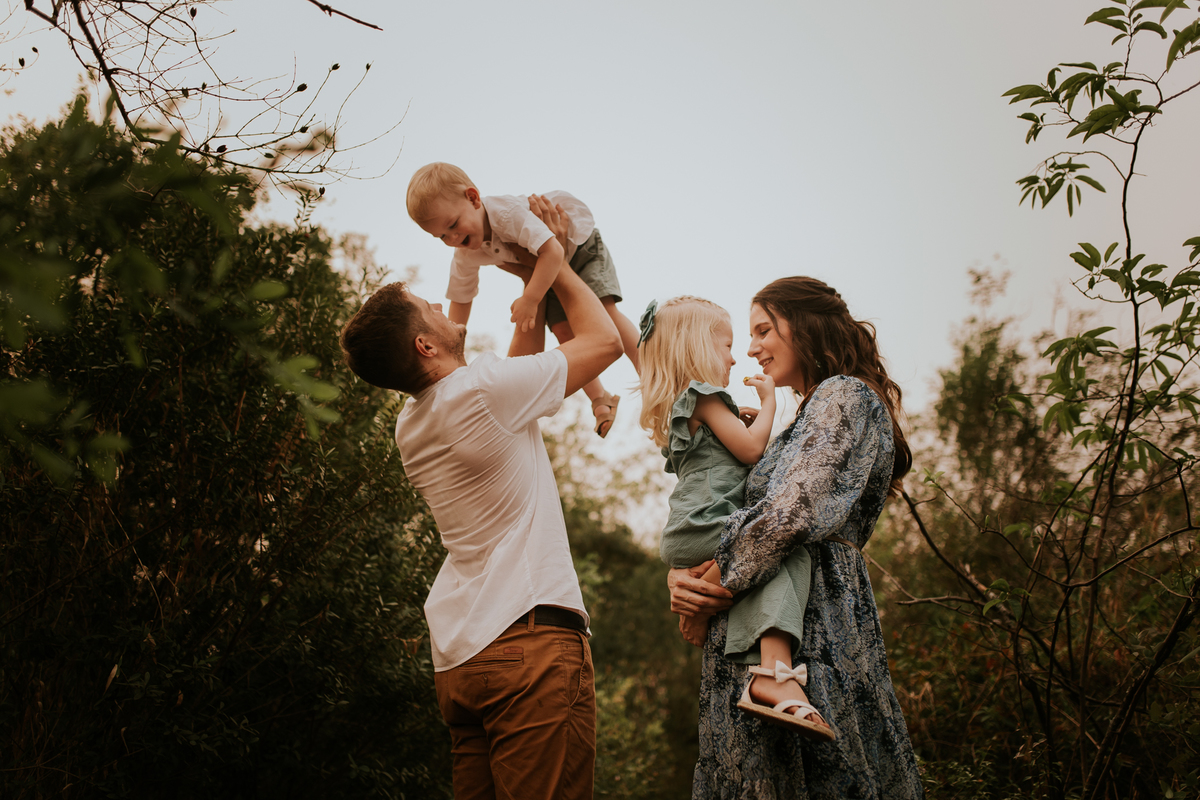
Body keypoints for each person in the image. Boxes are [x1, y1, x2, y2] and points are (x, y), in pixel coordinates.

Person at [340, 197, 623, 800]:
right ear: (424, 345)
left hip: (463, 662)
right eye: (428, 309)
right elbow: (603, 343)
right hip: (529, 646)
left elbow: (515, 383)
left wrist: (530, 281)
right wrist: (558, 254)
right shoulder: (481, 393)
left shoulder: (411, 427)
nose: (444, 309)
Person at [667, 277, 924, 799]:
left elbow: (787, 515)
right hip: (756, 616)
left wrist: (704, 594)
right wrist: (682, 576)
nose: (751, 347)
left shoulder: (843, 393)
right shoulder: (798, 419)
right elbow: (727, 512)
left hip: (816, 618)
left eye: (764, 329)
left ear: (804, 324)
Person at [637, 295, 833, 742]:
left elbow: (722, 458)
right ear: (698, 348)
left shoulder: (685, 408)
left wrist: (739, 421)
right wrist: (768, 405)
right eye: (725, 345)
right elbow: (751, 450)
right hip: (712, 522)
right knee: (789, 556)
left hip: (688, 530)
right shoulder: (705, 397)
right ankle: (773, 674)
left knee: (759, 565)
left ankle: (725, 635)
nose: (734, 355)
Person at [406, 161, 640, 437]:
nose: (453, 238)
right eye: (441, 236)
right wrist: (452, 348)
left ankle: (648, 370)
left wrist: (530, 298)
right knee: (566, 332)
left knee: (603, 312)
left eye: (454, 225)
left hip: (578, 249)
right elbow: (460, 299)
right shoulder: (465, 253)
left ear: (473, 198)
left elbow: (553, 250)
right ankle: (601, 397)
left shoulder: (507, 215)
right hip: (544, 272)